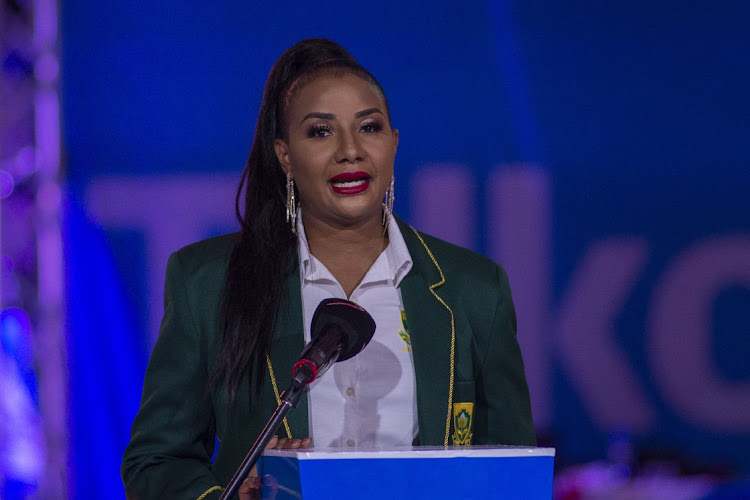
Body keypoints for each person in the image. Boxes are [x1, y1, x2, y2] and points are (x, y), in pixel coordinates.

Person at [121, 38, 535, 500]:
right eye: (320, 132)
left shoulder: (473, 289)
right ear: (285, 156)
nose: (350, 151)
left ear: (394, 144)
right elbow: (156, 462)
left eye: (370, 128)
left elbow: (512, 468)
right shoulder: (207, 283)